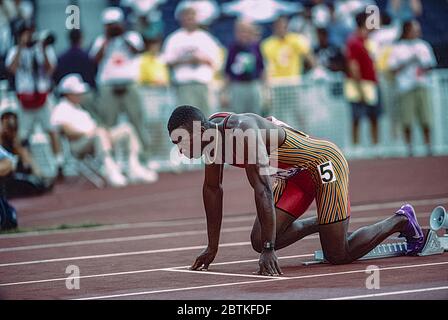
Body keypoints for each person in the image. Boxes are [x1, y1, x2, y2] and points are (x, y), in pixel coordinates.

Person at [167, 105, 425, 275]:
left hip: (323, 163)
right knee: (259, 240)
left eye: (181, 141)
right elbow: (213, 190)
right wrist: (212, 247)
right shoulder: (212, 138)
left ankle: (401, 219)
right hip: (294, 178)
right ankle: (326, 223)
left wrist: (271, 249)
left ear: (198, 130)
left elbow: (262, 191)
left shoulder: (241, 131)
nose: (179, 150)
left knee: (338, 254)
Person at [51, 74, 158, 187]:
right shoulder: (61, 108)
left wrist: (99, 131)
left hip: (97, 138)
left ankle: (134, 166)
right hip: (79, 144)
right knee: (100, 133)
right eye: (77, 93)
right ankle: (110, 169)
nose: (81, 95)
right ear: (68, 94)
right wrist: (88, 133)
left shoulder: (79, 108)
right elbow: (65, 129)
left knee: (127, 129)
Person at [89, 7, 151, 153]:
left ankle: (145, 157)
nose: (113, 27)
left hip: (130, 84)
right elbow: (95, 60)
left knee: (137, 121)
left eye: (115, 24)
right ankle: (111, 158)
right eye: (110, 25)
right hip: (108, 86)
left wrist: (122, 36)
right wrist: (108, 39)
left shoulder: (132, 37)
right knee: (109, 123)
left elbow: (137, 51)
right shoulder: (101, 40)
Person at [5, 22, 64, 174]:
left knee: (51, 130)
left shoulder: (42, 48)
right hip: (25, 98)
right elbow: (12, 68)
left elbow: (51, 69)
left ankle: (59, 164)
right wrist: (20, 47)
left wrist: (43, 49)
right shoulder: (14, 50)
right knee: (22, 135)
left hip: (42, 96)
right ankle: (26, 165)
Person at [389, 20, 437, 156]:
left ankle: (428, 146)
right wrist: (408, 61)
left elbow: (430, 65)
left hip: (422, 84)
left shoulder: (423, 46)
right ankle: (409, 147)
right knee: (407, 119)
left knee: (426, 118)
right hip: (405, 87)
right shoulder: (397, 48)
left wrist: (422, 66)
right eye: (414, 29)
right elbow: (392, 69)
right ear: (406, 31)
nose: (417, 32)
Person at [162, 5, 221, 114]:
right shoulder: (174, 38)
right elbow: (167, 61)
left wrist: (200, 59)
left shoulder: (206, 38)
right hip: (184, 83)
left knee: (205, 117)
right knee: (186, 118)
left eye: (191, 17)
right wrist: (185, 60)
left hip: (202, 83)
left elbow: (215, 61)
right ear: (181, 19)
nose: (189, 20)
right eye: (186, 17)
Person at [345, 11, 381, 152]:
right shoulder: (354, 41)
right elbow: (353, 65)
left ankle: (375, 145)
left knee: (374, 116)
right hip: (358, 84)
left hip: (371, 83)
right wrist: (359, 85)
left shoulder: (369, 41)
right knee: (356, 116)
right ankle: (356, 146)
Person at [0, 108, 54, 198]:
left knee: (35, 182)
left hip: (18, 171)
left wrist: (16, 141)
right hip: (8, 176)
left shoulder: (18, 141)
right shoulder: (1, 141)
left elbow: (27, 159)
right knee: (29, 184)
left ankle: (39, 180)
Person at [222, 19, 265, 115]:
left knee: (255, 115)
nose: (244, 34)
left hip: (253, 85)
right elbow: (227, 72)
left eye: (246, 31)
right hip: (238, 86)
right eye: (241, 31)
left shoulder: (256, 46)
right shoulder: (232, 48)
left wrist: (266, 91)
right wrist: (224, 93)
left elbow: (262, 69)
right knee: (238, 116)